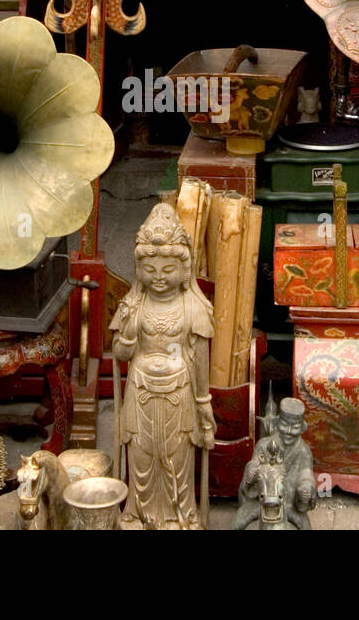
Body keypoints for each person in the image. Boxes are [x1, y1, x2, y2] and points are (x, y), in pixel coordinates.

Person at [110, 203, 216, 529]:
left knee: (176, 460)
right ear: (139, 269)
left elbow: (199, 360)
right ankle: (138, 514)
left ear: (183, 270)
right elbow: (120, 355)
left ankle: (179, 516)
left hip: (179, 397)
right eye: (150, 269)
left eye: (167, 269)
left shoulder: (193, 307)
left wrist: (203, 405)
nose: (158, 277)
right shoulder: (134, 304)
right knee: (140, 456)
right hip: (140, 393)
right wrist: (126, 335)